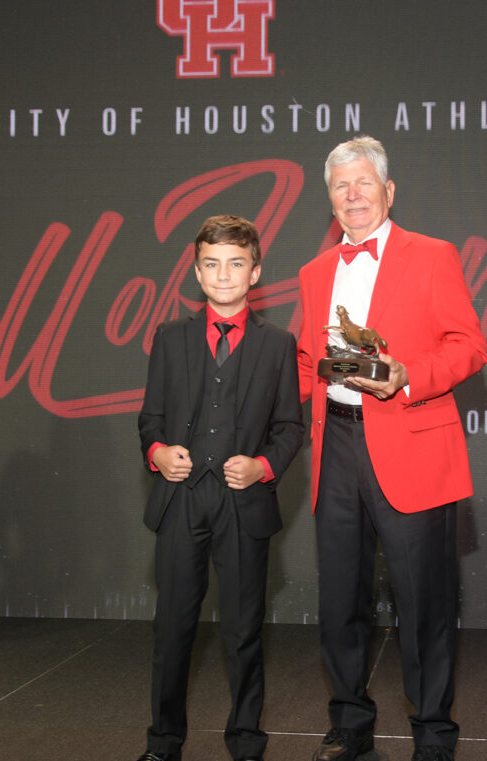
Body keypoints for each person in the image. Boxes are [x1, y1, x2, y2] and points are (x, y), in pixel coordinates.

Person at [296, 137, 487, 761]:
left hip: (410, 441)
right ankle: (350, 725)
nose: (353, 195)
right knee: (340, 601)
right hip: (335, 445)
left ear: (389, 191)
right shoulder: (313, 273)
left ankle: (433, 734)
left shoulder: (433, 255)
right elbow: (306, 362)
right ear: (330, 199)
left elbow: (468, 345)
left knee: (423, 601)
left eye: (364, 183)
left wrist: (409, 376)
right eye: (341, 186)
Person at [136, 214, 304, 761]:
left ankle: (246, 741)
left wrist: (262, 467)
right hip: (181, 499)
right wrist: (158, 454)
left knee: (243, 630)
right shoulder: (170, 338)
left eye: (236, 264)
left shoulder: (278, 345)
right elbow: (150, 419)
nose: (223, 274)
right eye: (212, 264)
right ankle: (163, 743)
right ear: (196, 271)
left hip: (242, 502)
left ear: (255, 272)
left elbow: (290, 428)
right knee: (172, 628)